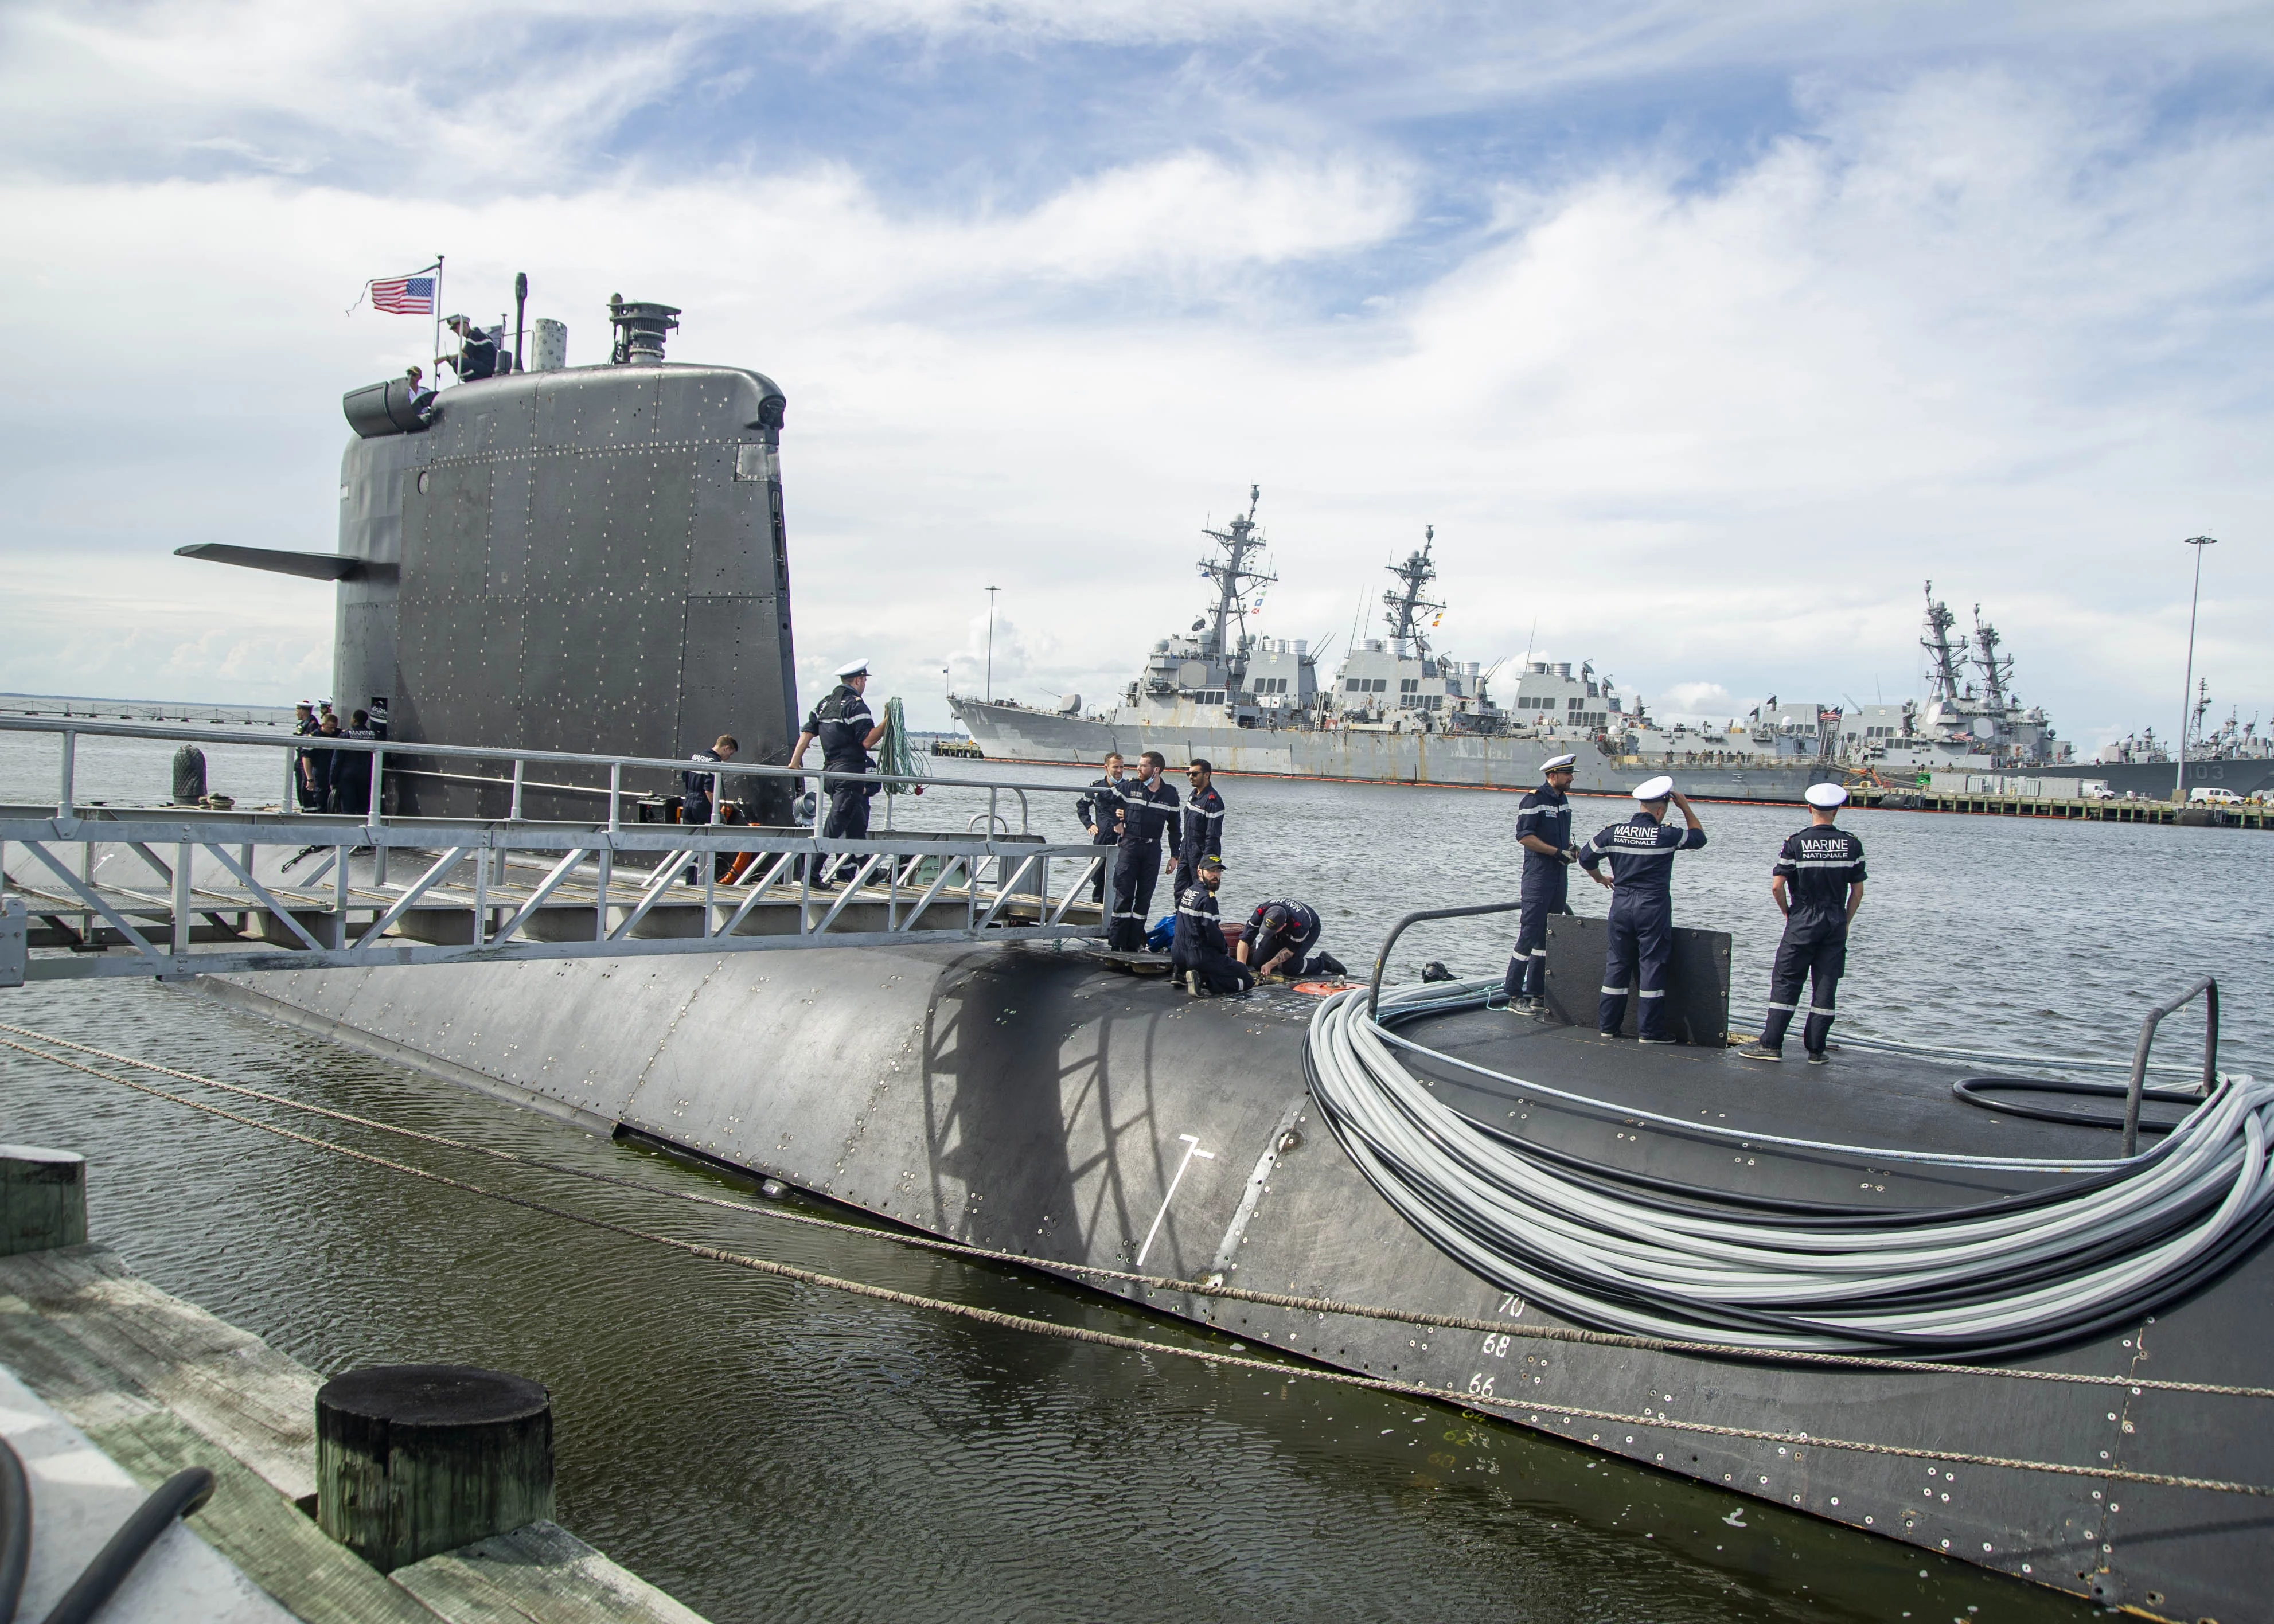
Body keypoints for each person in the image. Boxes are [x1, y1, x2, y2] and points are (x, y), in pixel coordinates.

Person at [1738, 783, 1867, 1065]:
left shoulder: (1796, 843)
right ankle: (1816, 1050)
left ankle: (1772, 1044)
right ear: (1837, 811)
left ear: (1810, 808)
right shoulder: (1852, 844)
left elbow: (1777, 887)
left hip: (1802, 919)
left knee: (1786, 980)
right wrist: (1844, 922)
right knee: (1826, 984)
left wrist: (1789, 914)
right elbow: (1858, 892)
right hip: (1834, 920)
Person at [1578, 775, 1706, 1043]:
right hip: (1653, 907)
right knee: (1652, 965)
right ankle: (1650, 1032)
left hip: (1622, 905)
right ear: (1661, 810)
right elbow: (1699, 838)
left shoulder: (1613, 833)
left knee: (1617, 964)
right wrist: (1685, 807)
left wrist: (1599, 878)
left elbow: (1585, 857)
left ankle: (1608, 1026)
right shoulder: (1667, 835)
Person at [790, 659, 888, 884]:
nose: (864, 685)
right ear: (858, 680)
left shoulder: (824, 704)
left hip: (830, 774)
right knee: (834, 827)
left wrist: (795, 762)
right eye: (864, 680)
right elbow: (868, 741)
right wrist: (887, 722)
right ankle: (811, 874)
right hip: (849, 774)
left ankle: (868, 872)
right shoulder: (856, 705)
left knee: (856, 824)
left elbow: (807, 733)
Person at [1504, 753, 1580, 1015]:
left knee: (1546, 938)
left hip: (1559, 876)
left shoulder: (1564, 801)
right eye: (1567, 774)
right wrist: (1557, 853)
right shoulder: (1534, 799)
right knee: (1529, 935)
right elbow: (1525, 837)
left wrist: (1570, 850)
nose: (1571, 778)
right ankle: (1514, 993)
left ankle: (1537, 992)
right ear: (1552, 775)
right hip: (1538, 877)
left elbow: (1560, 838)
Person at [1108, 749, 1179, 951]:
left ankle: (1133, 944)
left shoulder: (1170, 795)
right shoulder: (1130, 787)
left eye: (1143, 766)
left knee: (1144, 897)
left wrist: (1175, 855)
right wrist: (1116, 822)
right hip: (1130, 846)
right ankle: (1116, 943)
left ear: (1156, 770)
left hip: (1152, 850)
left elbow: (1174, 828)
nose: (1138, 768)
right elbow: (1105, 802)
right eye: (1138, 765)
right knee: (1124, 895)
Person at [1172, 855, 1254, 996]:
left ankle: (1181, 973)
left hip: (1178, 955)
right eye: (1211, 871)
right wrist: (1224, 951)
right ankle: (1205, 981)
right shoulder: (1208, 899)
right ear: (1200, 873)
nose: (1215, 876)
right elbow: (1213, 934)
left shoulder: (1189, 891)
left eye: (1218, 872)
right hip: (1198, 957)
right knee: (1245, 976)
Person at [680, 735, 742, 883]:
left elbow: (684, 777)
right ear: (726, 748)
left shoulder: (695, 757)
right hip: (702, 807)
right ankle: (700, 883)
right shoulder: (715, 763)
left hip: (688, 804)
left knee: (690, 846)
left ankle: (690, 881)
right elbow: (709, 790)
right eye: (730, 754)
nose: (728, 758)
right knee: (706, 845)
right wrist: (717, 811)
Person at [1238, 899, 1337, 979]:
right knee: (1258, 963)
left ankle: (1323, 963)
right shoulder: (1261, 911)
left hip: (1310, 929)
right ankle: (1276, 962)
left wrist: (1271, 964)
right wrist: (1241, 967)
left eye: (1272, 931)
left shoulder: (1301, 923)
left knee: (1289, 967)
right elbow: (1245, 940)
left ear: (1284, 926)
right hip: (1282, 925)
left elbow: (1291, 949)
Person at [1172, 758, 1226, 902]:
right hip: (1186, 850)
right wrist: (1180, 853)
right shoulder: (1194, 795)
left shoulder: (1213, 801)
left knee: (1200, 893)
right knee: (1180, 890)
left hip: (1201, 853)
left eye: (1195, 774)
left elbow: (1213, 836)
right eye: (1188, 774)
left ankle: (1200, 923)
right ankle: (1181, 921)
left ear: (1207, 775)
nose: (1191, 777)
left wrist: (1207, 864)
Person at [1075, 752, 1127, 901]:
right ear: (1106, 768)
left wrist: (1126, 814)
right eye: (1115, 767)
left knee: (1122, 878)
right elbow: (1081, 806)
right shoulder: (1097, 788)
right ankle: (1098, 909)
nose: (1119, 771)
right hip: (1102, 837)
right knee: (1098, 877)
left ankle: (1116, 912)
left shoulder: (1128, 788)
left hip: (1122, 838)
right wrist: (1089, 824)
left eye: (1122, 767)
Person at [329, 709, 377, 815]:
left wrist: (333, 780)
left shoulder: (346, 735)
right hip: (367, 776)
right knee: (364, 809)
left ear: (354, 720)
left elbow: (337, 759)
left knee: (348, 809)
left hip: (348, 776)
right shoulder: (373, 735)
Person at [439, 315, 498, 383]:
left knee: (457, 362)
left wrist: (445, 358)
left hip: (489, 368)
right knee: (455, 362)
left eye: (455, 328)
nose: (454, 331)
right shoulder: (474, 336)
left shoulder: (474, 335)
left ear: (464, 325)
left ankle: (475, 381)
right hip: (487, 367)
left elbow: (465, 356)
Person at [290, 701, 325, 811]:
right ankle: (303, 809)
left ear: (302, 711)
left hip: (306, 761)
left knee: (306, 790)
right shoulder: (303, 724)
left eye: (297, 710)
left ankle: (310, 812)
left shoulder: (312, 725)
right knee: (300, 790)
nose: (296, 713)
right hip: (300, 760)